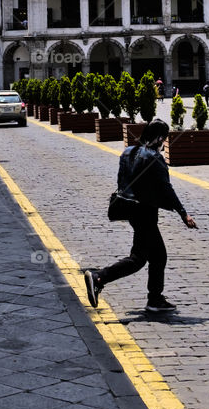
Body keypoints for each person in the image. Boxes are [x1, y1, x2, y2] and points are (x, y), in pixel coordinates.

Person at [83, 120, 197, 314]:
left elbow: (121, 183)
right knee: (141, 259)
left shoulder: (127, 152)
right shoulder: (154, 157)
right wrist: (183, 213)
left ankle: (155, 298)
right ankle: (100, 277)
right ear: (161, 138)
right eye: (165, 138)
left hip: (132, 211)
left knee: (154, 256)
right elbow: (166, 188)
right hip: (146, 212)